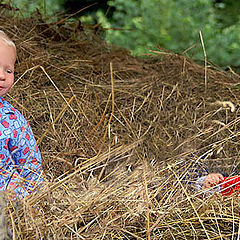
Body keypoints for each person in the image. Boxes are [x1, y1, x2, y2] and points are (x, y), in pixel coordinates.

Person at [0, 30, 42, 198]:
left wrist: (37, 195)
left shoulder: (12, 120)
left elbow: (29, 159)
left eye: (8, 71)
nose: (1, 76)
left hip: (7, 196)